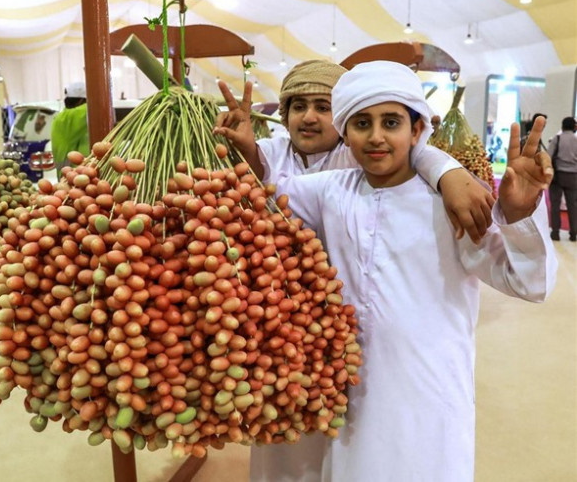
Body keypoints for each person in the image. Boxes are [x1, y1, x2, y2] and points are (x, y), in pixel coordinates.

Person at [264, 61, 557, 482]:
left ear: (417, 131)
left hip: (430, 396)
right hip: (355, 395)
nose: (377, 136)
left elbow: (530, 282)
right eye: (362, 122)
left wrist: (517, 213)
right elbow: (260, 196)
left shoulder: (450, 203)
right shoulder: (330, 191)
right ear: (345, 133)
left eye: (392, 122)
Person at [214, 60, 494, 244]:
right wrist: (246, 149)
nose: (309, 118)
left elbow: (416, 154)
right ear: (286, 116)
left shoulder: (360, 155)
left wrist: (449, 173)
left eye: (323, 108)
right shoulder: (269, 150)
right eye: (299, 107)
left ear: (344, 123)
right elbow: (258, 177)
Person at [51, 81, 90, 179]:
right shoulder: (67, 119)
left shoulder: (63, 119)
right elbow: (95, 106)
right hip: (73, 178)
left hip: (73, 177)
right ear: (81, 101)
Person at [547, 116, 577, 241]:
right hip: (573, 176)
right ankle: (573, 233)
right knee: (573, 205)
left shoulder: (557, 139)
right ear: (574, 127)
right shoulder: (576, 140)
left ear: (563, 126)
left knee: (555, 204)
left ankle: (555, 232)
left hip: (558, 176)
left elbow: (548, 155)